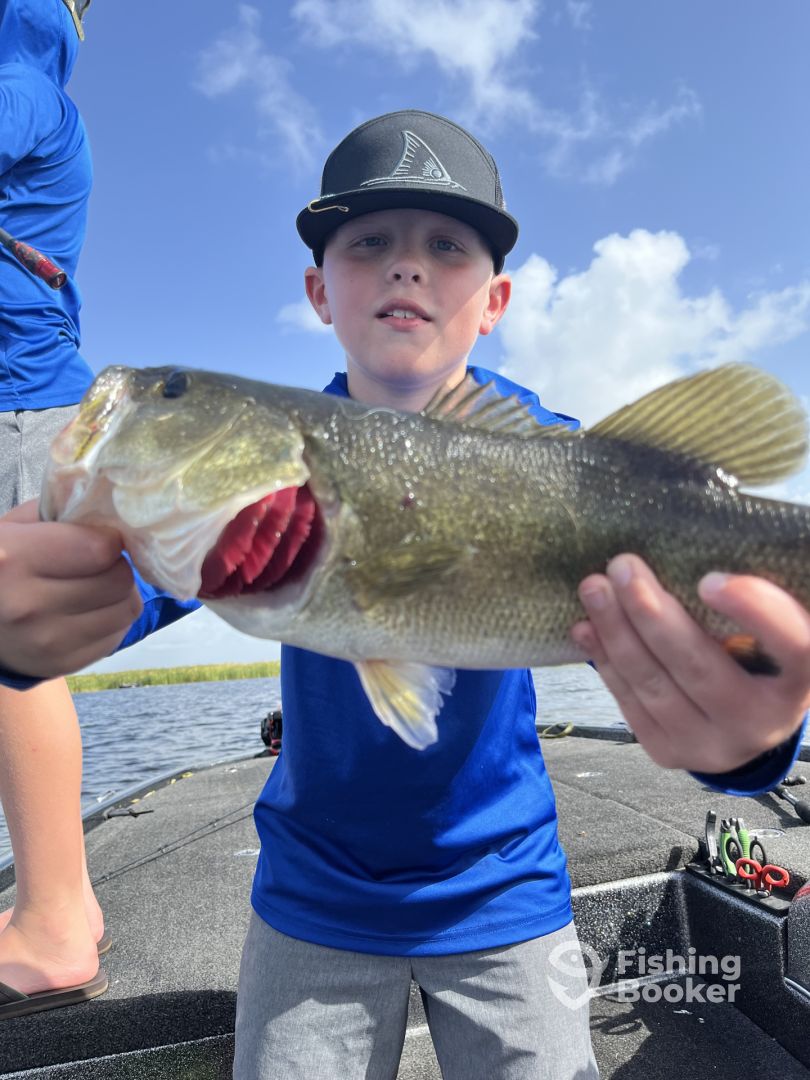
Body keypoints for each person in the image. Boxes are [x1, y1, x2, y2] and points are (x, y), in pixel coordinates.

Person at [0, 109, 808, 1078]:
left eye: (447, 246)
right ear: (319, 289)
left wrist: (753, 749)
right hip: (312, 903)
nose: (407, 267)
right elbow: (103, 593)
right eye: (369, 241)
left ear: (495, 299)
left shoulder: (570, 456)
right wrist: (22, 631)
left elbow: (737, 705)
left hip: (508, 894)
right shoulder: (240, 517)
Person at [0, 0, 197, 1016]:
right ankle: (57, 903)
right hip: (27, 401)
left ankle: (52, 920)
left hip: (19, 408)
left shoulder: (21, 79)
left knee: (13, 643)